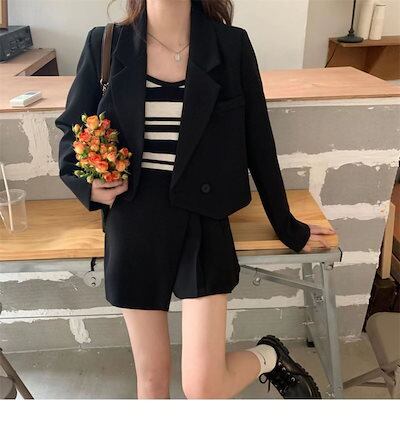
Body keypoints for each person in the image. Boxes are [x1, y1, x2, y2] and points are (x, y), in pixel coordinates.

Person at [55, 0, 335, 399]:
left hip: (203, 216)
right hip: (134, 218)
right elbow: (72, 128)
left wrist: (289, 227)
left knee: (204, 387)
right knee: (152, 380)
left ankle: (270, 356)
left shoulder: (230, 45)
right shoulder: (105, 43)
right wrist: (87, 186)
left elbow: (258, 141)